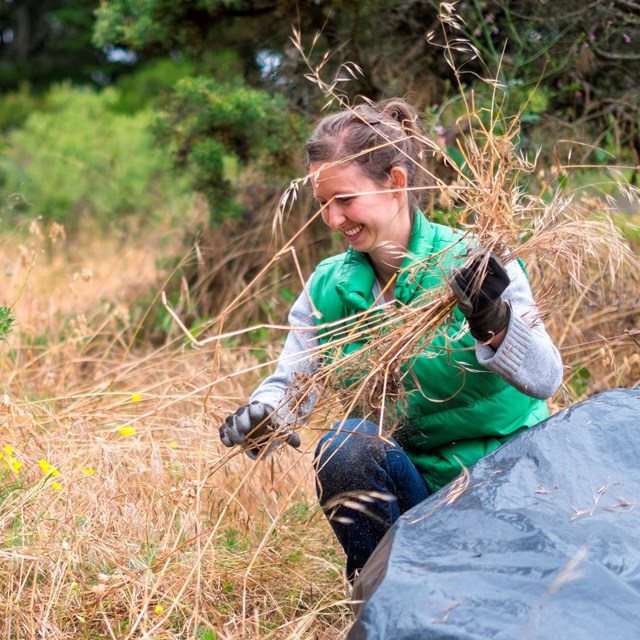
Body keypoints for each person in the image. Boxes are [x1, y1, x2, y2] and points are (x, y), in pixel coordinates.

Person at [219, 99, 563, 582]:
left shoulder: (474, 260)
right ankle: (388, 596)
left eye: (345, 199)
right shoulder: (327, 287)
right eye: (322, 204)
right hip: (419, 498)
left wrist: (495, 320)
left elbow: (547, 378)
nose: (333, 219)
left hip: (508, 491)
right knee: (346, 448)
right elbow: (294, 382)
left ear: (396, 184)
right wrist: (265, 417)